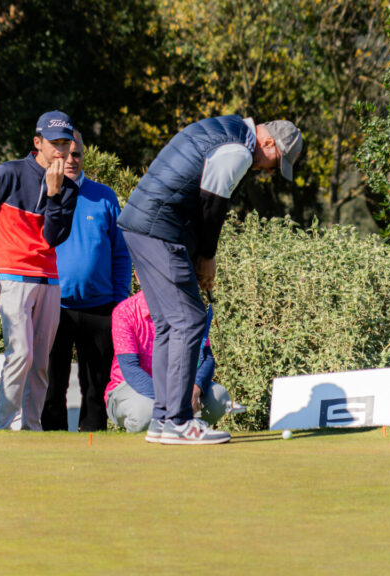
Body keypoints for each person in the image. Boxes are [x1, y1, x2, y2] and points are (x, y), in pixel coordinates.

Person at [117, 114, 302, 445]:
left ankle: (162, 419)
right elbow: (211, 205)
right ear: (268, 143)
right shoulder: (239, 149)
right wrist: (207, 256)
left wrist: (195, 254)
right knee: (189, 320)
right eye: (276, 163)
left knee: (167, 324)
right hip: (159, 228)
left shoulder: (226, 129)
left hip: (139, 224)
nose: (270, 171)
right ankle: (179, 421)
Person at [0, 111, 79, 431]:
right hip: (12, 277)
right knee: (21, 356)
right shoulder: (9, 173)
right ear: (37, 143)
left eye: (66, 143)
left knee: (40, 364)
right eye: (54, 143)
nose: (61, 150)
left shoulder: (68, 188)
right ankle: (1, 430)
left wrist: (54, 193)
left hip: (49, 281)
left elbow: (54, 237)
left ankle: (30, 431)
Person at [42, 131, 131, 432]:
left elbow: (121, 254)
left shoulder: (104, 196)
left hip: (100, 309)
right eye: (64, 154)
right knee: (52, 387)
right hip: (56, 304)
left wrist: (120, 302)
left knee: (95, 389)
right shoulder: (43, 193)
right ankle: (51, 446)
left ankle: (95, 450)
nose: (70, 160)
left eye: (76, 154)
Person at [105, 290, 231, 433]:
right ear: (139, 276)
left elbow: (206, 358)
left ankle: (185, 434)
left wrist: (195, 389)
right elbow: (130, 369)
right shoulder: (124, 311)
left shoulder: (188, 309)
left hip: (178, 386)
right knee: (146, 413)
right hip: (128, 386)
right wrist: (173, 400)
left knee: (219, 397)